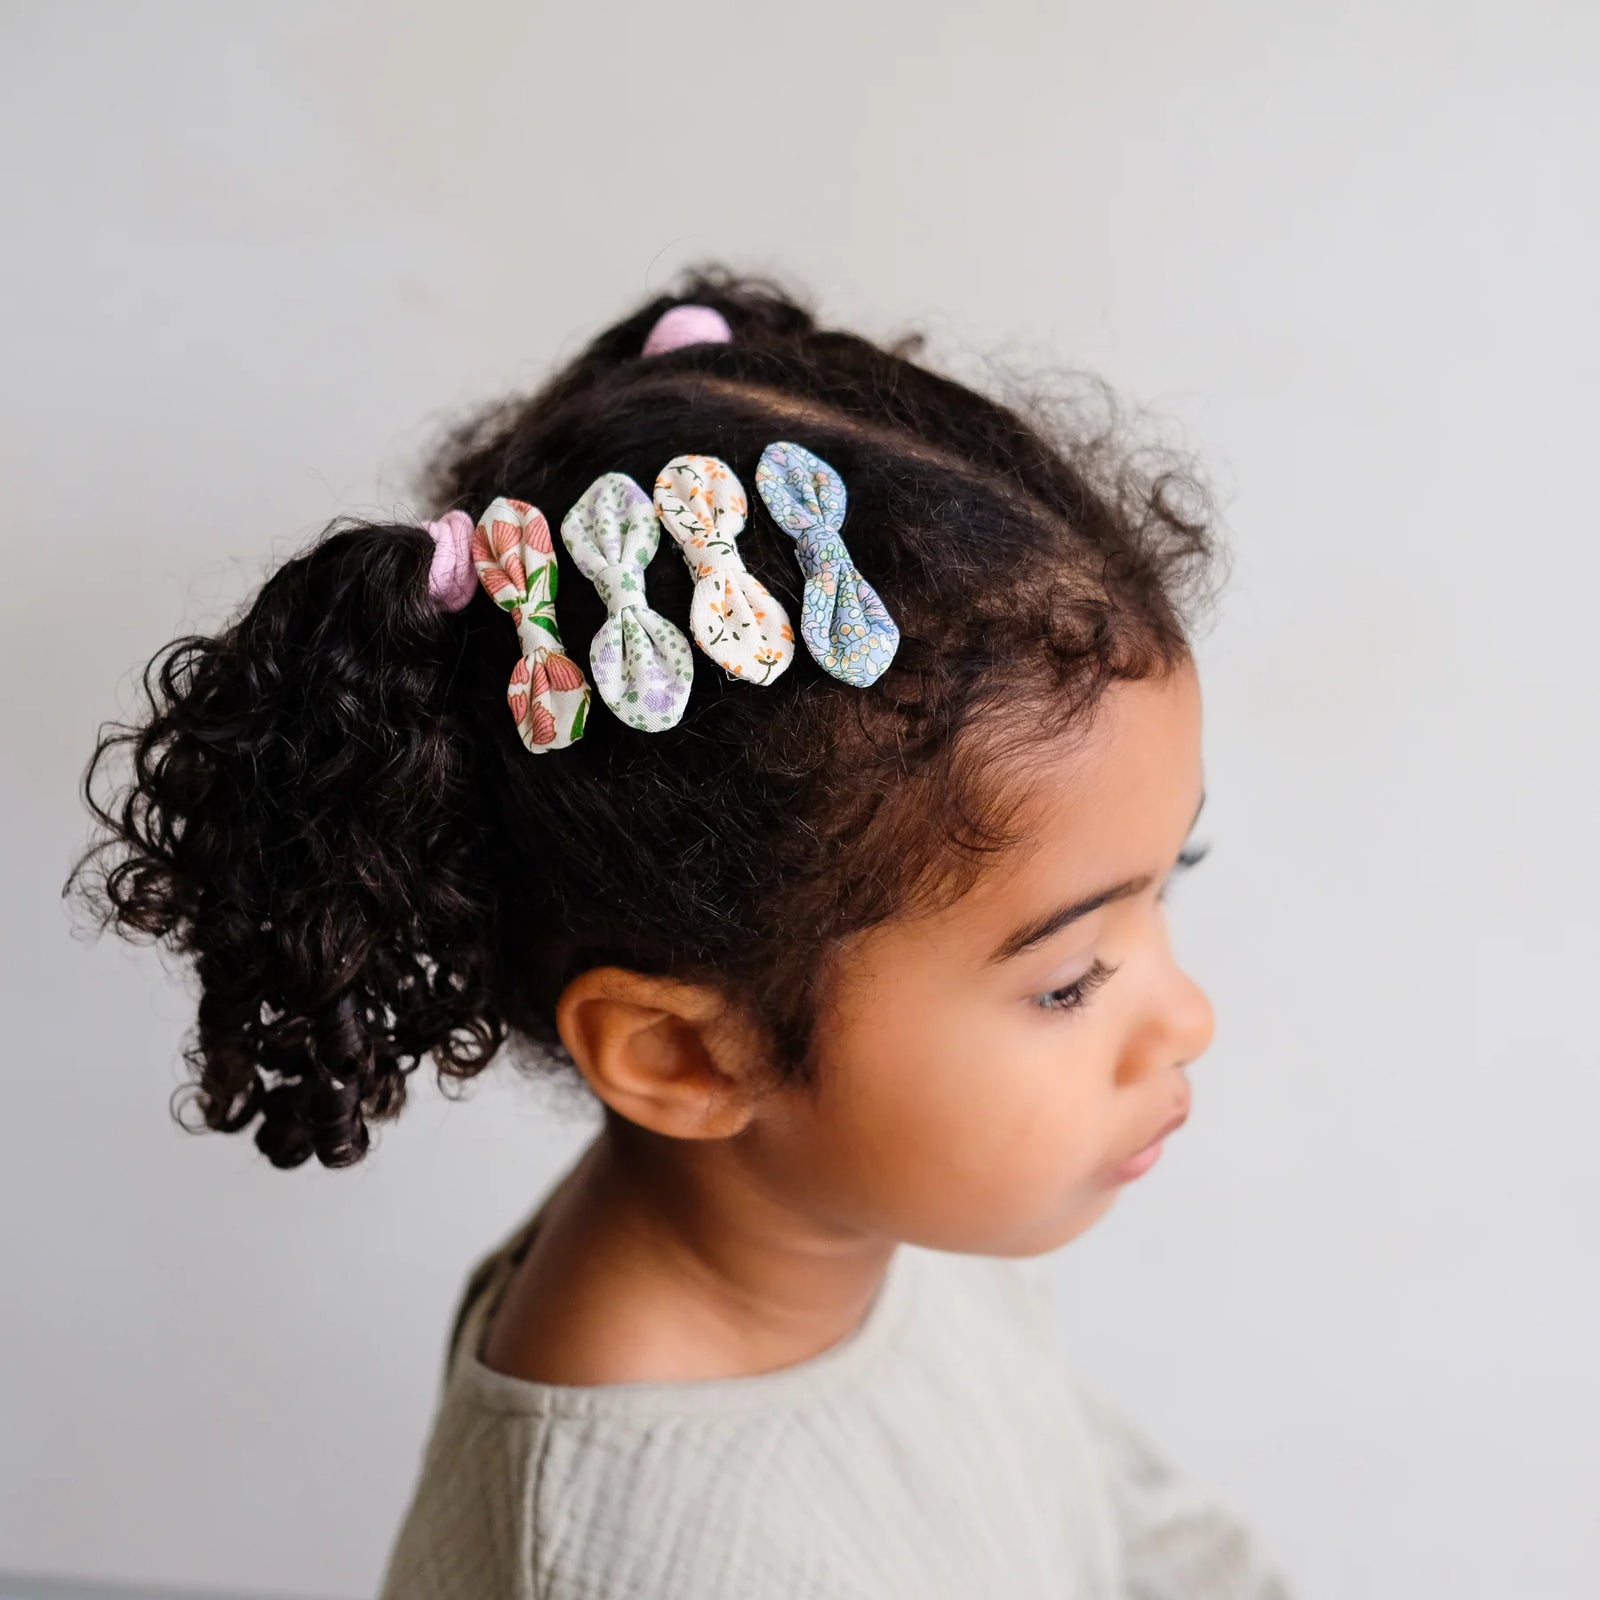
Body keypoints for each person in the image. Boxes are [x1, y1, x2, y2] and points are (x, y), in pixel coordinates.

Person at [69, 269, 1296, 1597]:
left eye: (1170, 884)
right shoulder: (652, 1555)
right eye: (1068, 984)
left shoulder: (865, 1221)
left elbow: (1127, 1530)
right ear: (684, 1057)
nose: (1189, 1017)